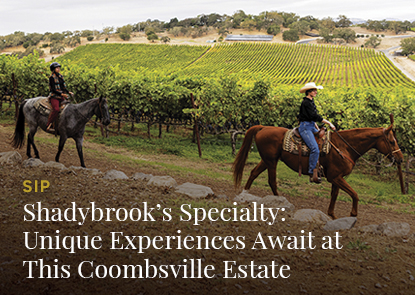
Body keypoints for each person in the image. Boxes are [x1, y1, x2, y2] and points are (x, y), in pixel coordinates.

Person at [298, 82, 336, 183]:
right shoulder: (306, 102)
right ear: (309, 92)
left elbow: (312, 117)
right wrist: (329, 123)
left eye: (316, 90)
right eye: (314, 90)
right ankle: (311, 171)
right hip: (305, 128)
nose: (316, 92)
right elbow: (314, 116)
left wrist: (317, 127)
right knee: (315, 149)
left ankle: (321, 166)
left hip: (310, 125)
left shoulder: (311, 101)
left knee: (324, 142)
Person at [46, 62, 73, 132]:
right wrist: (62, 95)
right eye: (57, 68)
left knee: (67, 107)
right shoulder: (51, 78)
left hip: (61, 96)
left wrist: (68, 92)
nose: (58, 69)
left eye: (59, 68)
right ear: (53, 69)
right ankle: (49, 124)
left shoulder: (61, 76)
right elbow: (53, 89)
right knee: (56, 109)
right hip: (54, 96)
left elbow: (63, 87)